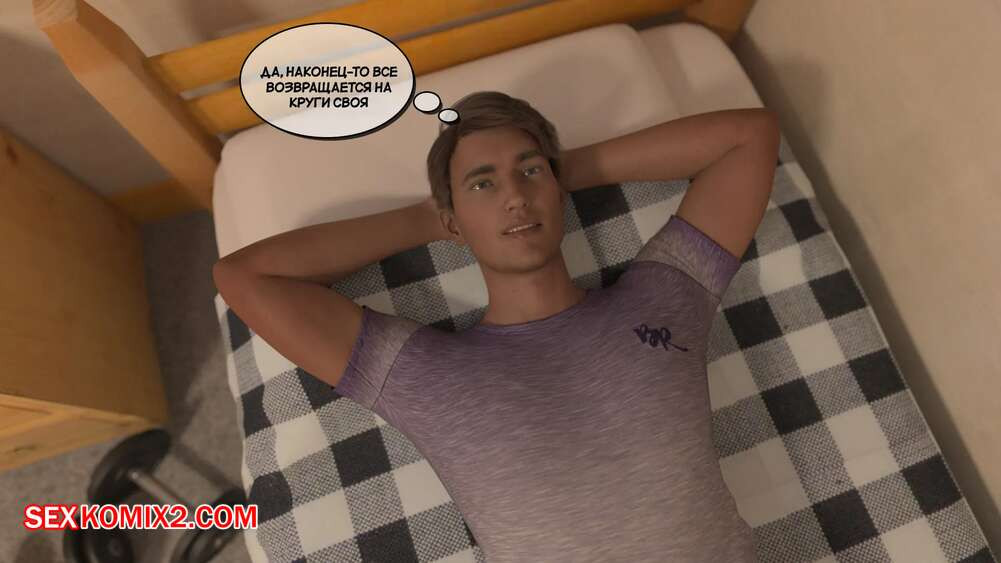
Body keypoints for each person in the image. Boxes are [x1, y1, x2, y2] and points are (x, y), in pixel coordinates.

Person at [213, 91, 780, 562]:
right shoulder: (422, 375)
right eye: (483, 184)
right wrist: (431, 217)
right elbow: (244, 277)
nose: (515, 197)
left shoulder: (664, 298)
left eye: (529, 172)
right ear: (453, 219)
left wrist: (556, 173)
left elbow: (750, 136)